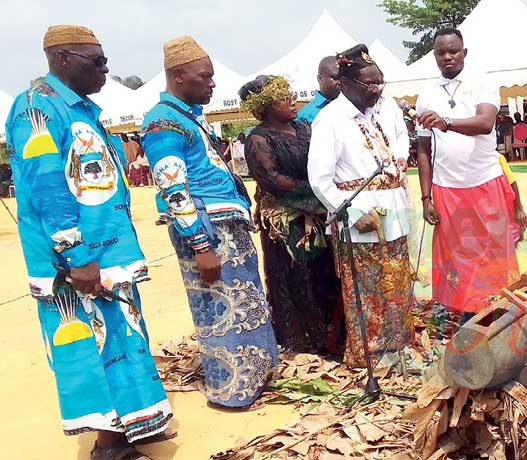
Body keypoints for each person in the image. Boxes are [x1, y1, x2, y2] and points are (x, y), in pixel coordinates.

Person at [5, 25, 172, 459]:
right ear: (63, 59)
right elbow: (47, 192)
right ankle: (108, 442)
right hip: (74, 265)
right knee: (88, 345)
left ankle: (136, 422)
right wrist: (76, 256)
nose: (105, 69)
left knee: (124, 337)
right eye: (96, 61)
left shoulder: (82, 110)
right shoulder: (37, 109)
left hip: (108, 254)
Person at [141, 36, 278, 408]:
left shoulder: (188, 116)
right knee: (223, 311)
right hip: (207, 232)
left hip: (225, 226)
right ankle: (231, 390)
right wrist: (201, 245)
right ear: (179, 76)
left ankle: (254, 376)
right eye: (206, 77)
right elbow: (173, 188)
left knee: (245, 303)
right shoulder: (162, 123)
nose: (213, 84)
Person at [308, 44, 415, 367]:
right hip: (361, 218)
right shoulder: (330, 120)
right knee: (368, 292)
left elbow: (398, 145)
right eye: (370, 84)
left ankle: (400, 345)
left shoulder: (380, 110)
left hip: (394, 213)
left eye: (380, 82)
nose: (377, 90)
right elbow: (320, 179)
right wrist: (353, 214)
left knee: (396, 283)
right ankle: (371, 356)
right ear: (345, 85)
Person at [415, 28, 520, 316]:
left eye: (453, 51)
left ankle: (497, 311)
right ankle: (462, 314)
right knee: (456, 257)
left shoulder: (483, 82)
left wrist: (445, 121)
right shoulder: (427, 93)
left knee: (492, 253)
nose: (447, 57)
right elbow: (423, 149)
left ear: (464, 52)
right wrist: (426, 198)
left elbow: (485, 123)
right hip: (445, 188)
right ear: (434, 55)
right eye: (441, 52)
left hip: (484, 182)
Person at [239, 75, 342, 354]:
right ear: (266, 106)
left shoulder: (304, 128)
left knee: (325, 274)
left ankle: (333, 337)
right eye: (282, 97)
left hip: (319, 215)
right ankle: (304, 341)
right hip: (287, 222)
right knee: (296, 278)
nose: (291, 100)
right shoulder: (258, 139)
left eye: (290, 94)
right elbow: (273, 180)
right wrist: (318, 192)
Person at [296, 55, 340, 124]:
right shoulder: (305, 115)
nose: (340, 82)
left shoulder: (352, 107)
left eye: (342, 77)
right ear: (320, 79)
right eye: (335, 78)